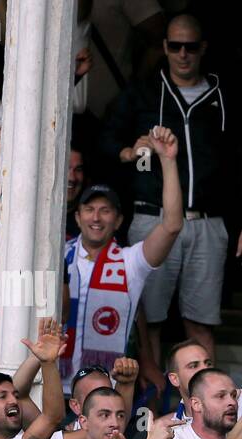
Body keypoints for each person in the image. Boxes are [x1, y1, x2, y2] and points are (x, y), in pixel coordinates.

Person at [103, 14, 242, 373]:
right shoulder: (142, 92)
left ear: (203, 49)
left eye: (191, 47)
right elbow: (104, 140)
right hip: (152, 216)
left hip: (207, 221)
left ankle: (207, 397)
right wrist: (126, 153)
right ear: (164, 47)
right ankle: (153, 403)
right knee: (148, 318)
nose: (183, 54)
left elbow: (240, 162)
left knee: (201, 320)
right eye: (176, 46)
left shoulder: (223, 95)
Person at [62, 127, 182, 381]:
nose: (96, 217)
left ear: (118, 221)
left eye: (105, 210)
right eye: (89, 209)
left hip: (105, 389)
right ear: (77, 216)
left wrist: (168, 161)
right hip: (54, 382)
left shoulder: (130, 262)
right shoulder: (58, 256)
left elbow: (171, 226)